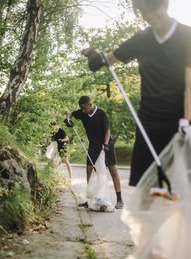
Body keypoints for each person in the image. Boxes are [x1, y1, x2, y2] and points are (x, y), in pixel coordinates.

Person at [82, 0, 191, 186]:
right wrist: (94, 56)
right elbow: (110, 58)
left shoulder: (186, 36)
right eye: (143, 11)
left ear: (165, 4)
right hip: (148, 122)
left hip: (178, 122)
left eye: (151, 9)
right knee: (148, 188)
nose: (148, 15)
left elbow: (189, 86)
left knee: (178, 188)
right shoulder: (142, 39)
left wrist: (186, 124)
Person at [64, 95, 124, 209]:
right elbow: (71, 114)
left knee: (113, 171)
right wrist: (68, 120)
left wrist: (106, 145)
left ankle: (120, 200)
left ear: (90, 105)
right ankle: (91, 199)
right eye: (81, 108)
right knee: (89, 170)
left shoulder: (102, 113)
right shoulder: (83, 113)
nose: (82, 111)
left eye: (84, 108)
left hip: (106, 144)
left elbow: (107, 132)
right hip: (93, 146)